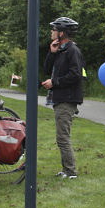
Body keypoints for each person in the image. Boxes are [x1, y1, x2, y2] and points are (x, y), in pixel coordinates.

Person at [40, 17, 84, 179]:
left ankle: (71, 172)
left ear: (62, 33)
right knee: (61, 137)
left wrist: (54, 82)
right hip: (60, 98)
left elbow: (75, 75)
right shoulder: (60, 49)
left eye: (54, 29)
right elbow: (46, 69)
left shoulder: (72, 51)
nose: (51, 32)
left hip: (67, 99)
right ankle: (66, 170)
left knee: (63, 137)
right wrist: (52, 53)